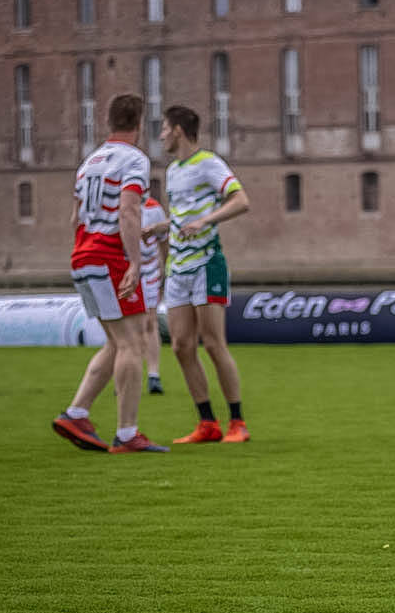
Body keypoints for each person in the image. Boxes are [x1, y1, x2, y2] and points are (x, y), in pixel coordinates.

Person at [50, 94, 169, 453]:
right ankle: (128, 433)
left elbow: (75, 218)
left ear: (108, 121)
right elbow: (129, 211)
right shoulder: (134, 159)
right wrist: (134, 261)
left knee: (116, 341)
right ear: (139, 123)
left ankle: (76, 413)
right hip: (108, 257)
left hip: (83, 254)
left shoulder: (89, 163)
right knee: (133, 343)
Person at [160, 106, 252, 444]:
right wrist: (161, 226)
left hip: (206, 263)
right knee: (182, 347)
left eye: (164, 129)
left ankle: (237, 422)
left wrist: (207, 221)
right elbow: (183, 216)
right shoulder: (172, 171)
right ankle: (207, 423)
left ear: (179, 131)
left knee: (213, 344)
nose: (161, 135)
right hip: (178, 267)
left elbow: (241, 201)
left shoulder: (209, 163)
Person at [139, 184, 170, 395]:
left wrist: (165, 270)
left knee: (150, 321)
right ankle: (124, 374)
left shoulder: (154, 208)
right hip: (124, 269)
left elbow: (163, 242)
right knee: (128, 327)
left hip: (149, 270)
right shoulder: (119, 207)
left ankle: (153, 375)